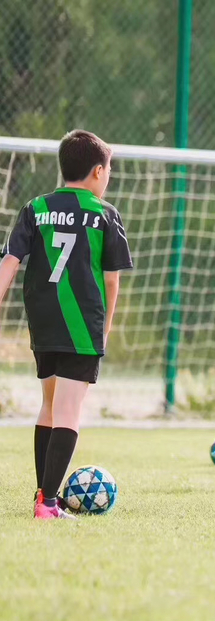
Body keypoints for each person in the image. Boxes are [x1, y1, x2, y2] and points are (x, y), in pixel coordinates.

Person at [0, 129, 133, 520]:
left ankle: (43, 493)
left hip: (43, 323)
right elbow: (111, 279)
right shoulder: (106, 214)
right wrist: (104, 327)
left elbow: (9, 263)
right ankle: (48, 504)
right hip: (81, 325)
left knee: (49, 406)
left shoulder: (35, 207)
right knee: (70, 412)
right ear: (97, 171)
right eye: (108, 169)